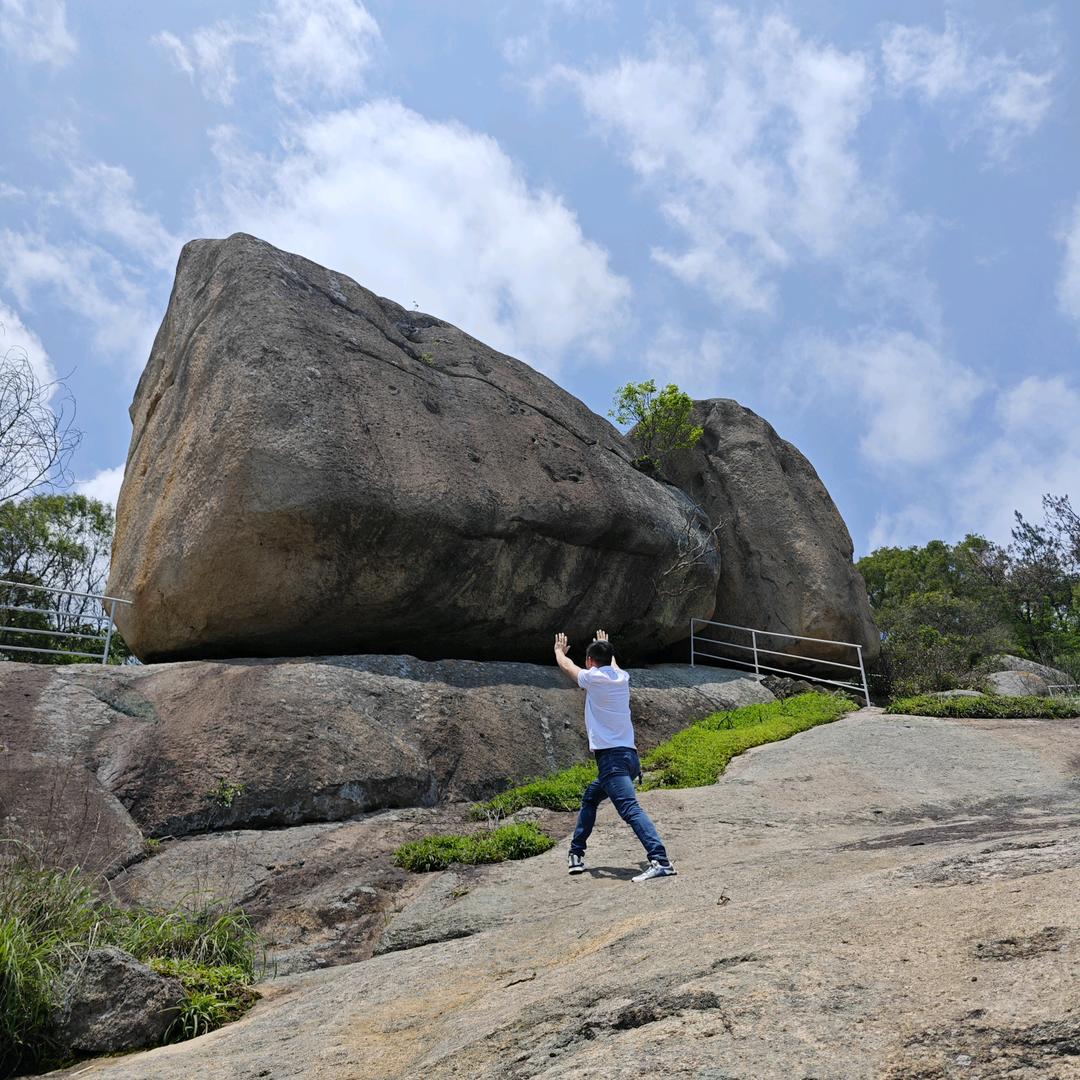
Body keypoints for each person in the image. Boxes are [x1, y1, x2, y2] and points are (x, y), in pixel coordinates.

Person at [553, 629, 677, 882]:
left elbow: (567, 666)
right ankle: (576, 854)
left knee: (630, 809)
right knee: (590, 798)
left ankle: (661, 860)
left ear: (589, 661)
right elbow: (613, 664)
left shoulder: (593, 678)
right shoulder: (621, 676)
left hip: (612, 761)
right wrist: (605, 646)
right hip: (629, 759)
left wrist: (558, 651)